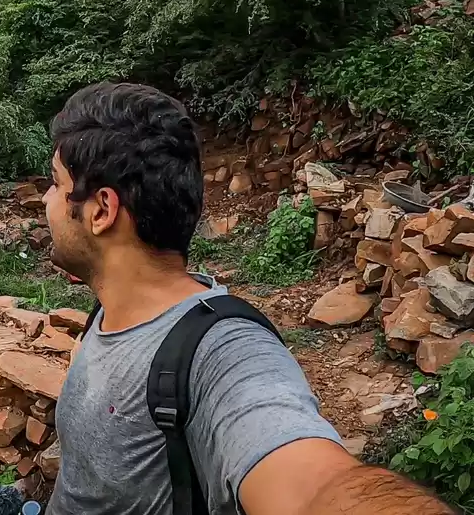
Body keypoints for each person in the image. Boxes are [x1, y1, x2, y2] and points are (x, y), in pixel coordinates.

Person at [42, 83, 451, 515]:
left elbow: (317, 485)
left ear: (102, 211)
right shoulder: (110, 312)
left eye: (55, 183)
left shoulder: (221, 353)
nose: (47, 200)